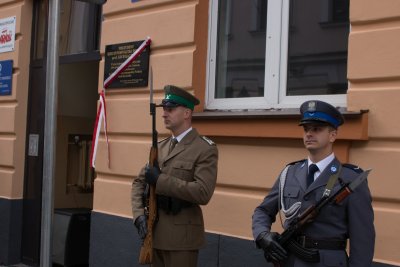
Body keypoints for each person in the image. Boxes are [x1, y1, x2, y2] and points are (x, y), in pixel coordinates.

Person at [252, 100, 375, 267]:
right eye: (306, 129)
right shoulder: (289, 173)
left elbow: (363, 239)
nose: (309, 134)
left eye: (316, 129)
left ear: (332, 135)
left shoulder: (351, 179)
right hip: (291, 260)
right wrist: (262, 236)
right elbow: (263, 211)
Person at [131, 85, 218, 267]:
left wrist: (161, 180)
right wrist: (139, 216)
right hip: (154, 234)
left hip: (182, 240)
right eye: (164, 109)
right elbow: (139, 182)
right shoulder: (160, 147)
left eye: (170, 109)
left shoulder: (204, 149)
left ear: (186, 113)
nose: (164, 114)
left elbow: (203, 192)